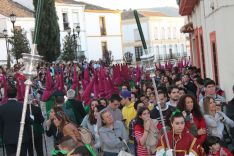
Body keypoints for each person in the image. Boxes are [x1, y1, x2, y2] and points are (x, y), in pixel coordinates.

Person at [0, 86, 33, 156]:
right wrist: (32, 117)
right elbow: (29, 121)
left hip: (8, 138)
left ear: (7, 94)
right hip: (22, 138)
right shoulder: (22, 106)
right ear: (16, 94)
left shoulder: (2, 108)